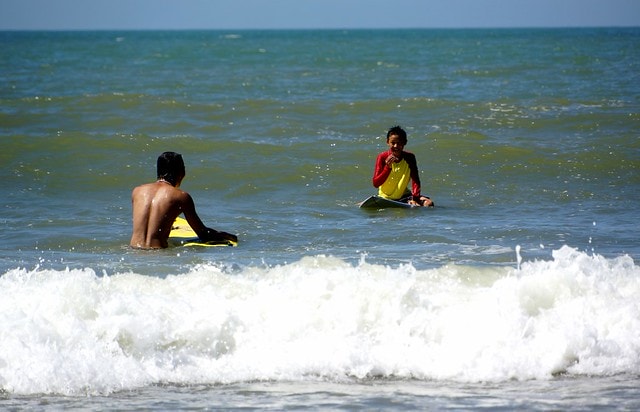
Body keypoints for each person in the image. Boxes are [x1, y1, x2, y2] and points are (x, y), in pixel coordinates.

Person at [129, 151, 237, 249]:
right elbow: (203, 234)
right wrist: (225, 235)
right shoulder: (181, 196)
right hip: (159, 254)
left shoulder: (137, 191)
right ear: (182, 173)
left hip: (134, 253)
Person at [372, 125, 434, 207]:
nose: (396, 146)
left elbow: (415, 180)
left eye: (399, 143)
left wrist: (415, 199)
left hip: (404, 196)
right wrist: (387, 167)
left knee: (429, 203)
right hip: (385, 198)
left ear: (405, 142)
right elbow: (376, 183)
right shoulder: (382, 157)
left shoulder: (410, 157)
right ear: (387, 142)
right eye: (393, 143)